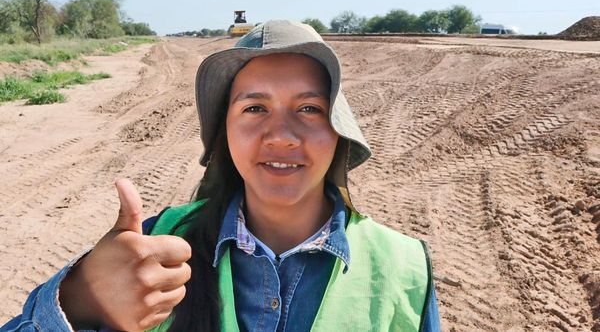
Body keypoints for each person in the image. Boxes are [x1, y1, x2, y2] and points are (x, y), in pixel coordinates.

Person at [1, 20, 441, 332]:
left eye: (309, 108)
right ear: (224, 132)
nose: (282, 136)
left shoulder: (406, 268)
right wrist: (80, 302)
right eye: (254, 108)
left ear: (339, 132)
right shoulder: (156, 249)